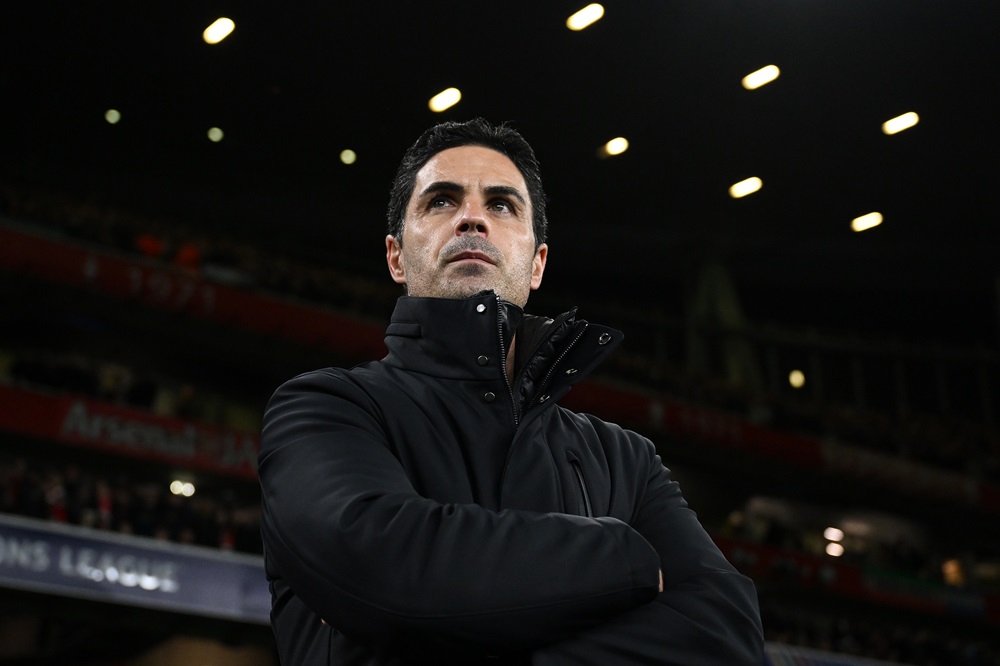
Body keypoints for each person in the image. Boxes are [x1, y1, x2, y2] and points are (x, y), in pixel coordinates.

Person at [258, 118, 764, 665]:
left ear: (538, 263)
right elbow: (383, 570)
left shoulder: (627, 460)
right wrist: (628, 560)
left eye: (501, 205)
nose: (472, 217)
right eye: (442, 201)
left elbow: (728, 633)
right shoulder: (323, 410)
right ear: (396, 257)